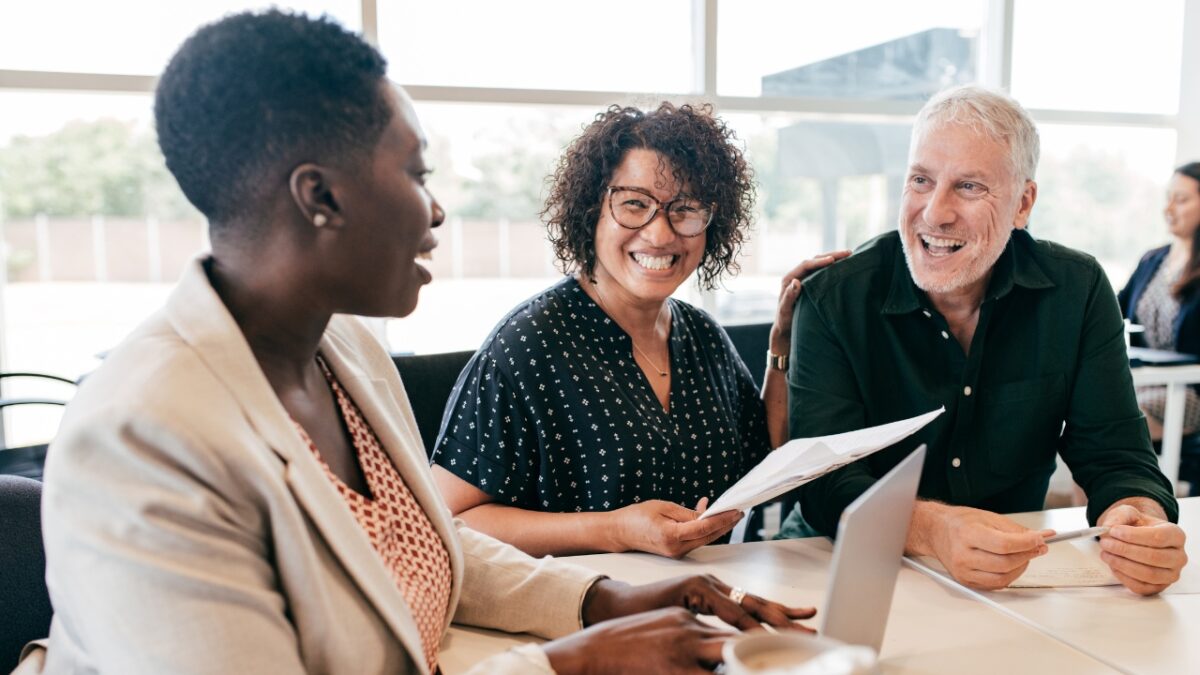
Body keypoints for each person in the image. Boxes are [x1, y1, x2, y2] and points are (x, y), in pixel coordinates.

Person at [14, 12, 816, 675]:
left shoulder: (346, 351)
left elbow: (429, 539)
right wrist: (568, 661)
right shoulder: (141, 433)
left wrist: (605, 597)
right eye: (415, 173)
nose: (435, 213)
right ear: (320, 195)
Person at [782, 85, 1188, 596]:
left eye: (969, 187)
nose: (934, 213)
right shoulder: (834, 299)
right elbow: (824, 481)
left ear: (1023, 203)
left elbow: (1116, 456)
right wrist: (933, 530)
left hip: (1010, 573)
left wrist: (1138, 520)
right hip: (838, 556)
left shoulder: (1078, 290)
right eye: (920, 180)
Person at [431, 102, 846, 558]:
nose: (661, 234)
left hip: (704, 599)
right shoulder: (527, 346)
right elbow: (451, 520)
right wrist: (613, 530)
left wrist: (782, 344)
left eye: (685, 209)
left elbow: (765, 456)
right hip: (581, 611)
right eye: (635, 204)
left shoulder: (701, 335)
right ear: (591, 210)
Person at [1119, 162, 1200, 440]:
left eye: (1181, 200)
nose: (1168, 209)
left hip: (1190, 389)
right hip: (1147, 381)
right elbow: (1111, 310)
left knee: (1119, 420)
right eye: (1168, 198)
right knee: (1088, 414)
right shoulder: (1152, 260)